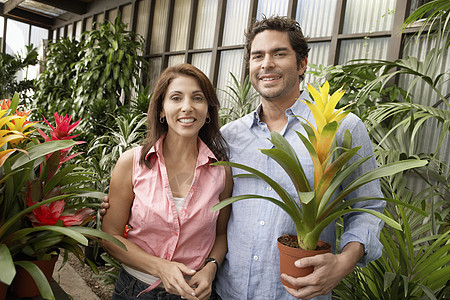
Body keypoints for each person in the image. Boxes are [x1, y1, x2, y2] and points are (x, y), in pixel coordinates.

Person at [102, 16, 385, 300]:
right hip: (227, 292)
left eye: (279, 54)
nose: (266, 64)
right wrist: (121, 205)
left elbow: (368, 207)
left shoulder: (340, 128)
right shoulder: (229, 139)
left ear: (302, 64)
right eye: (258, 56)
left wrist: (343, 262)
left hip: (295, 293)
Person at [101, 63, 233, 300]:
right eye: (175, 98)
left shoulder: (222, 171)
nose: (187, 107)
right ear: (162, 109)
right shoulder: (132, 163)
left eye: (197, 98)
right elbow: (110, 236)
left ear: (208, 111)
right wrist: (159, 267)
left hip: (194, 294)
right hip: (136, 290)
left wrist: (211, 268)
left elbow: (221, 235)